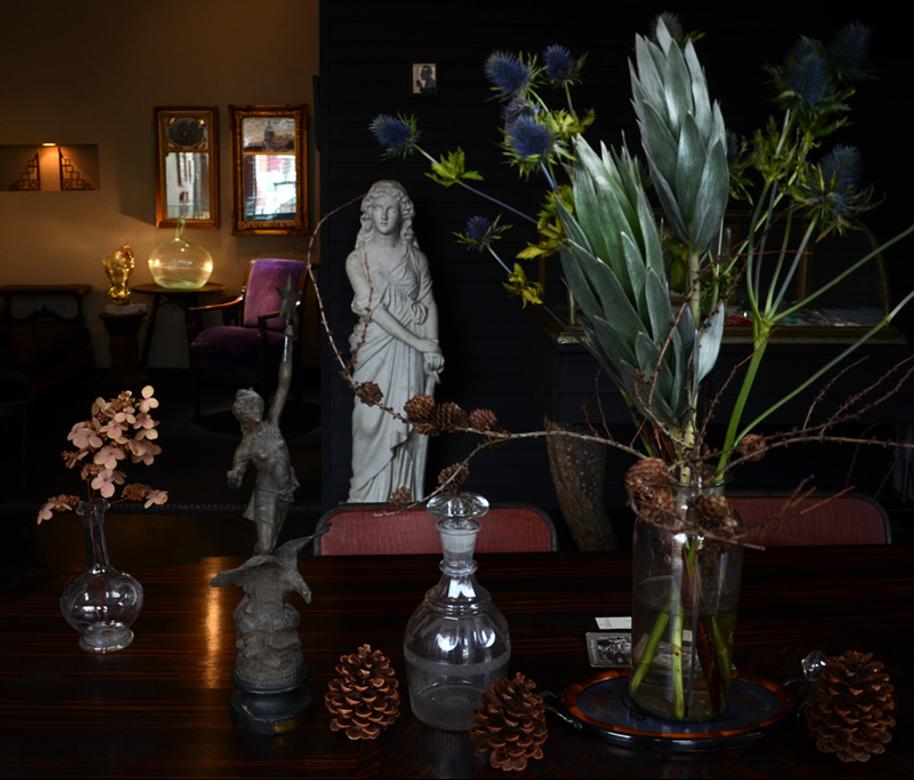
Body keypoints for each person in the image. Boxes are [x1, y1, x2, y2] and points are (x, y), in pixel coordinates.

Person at [346, 180, 443, 502]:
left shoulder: (417, 259)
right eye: (378, 209)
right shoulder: (357, 260)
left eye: (391, 209)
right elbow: (373, 309)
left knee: (408, 422)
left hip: (410, 358)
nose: (385, 215)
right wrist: (419, 342)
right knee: (369, 421)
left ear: (404, 214)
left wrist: (433, 346)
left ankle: (403, 500)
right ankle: (365, 499)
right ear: (368, 214)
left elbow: (428, 304)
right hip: (375, 350)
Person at [227, 280, 300, 553]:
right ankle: (260, 566)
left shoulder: (273, 424)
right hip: (267, 494)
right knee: (268, 545)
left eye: (258, 405)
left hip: (287, 490)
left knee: (270, 543)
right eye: (253, 407)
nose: (258, 409)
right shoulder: (245, 447)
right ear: (244, 414)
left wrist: (288, 342)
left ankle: (261, 568)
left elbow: (284, 382)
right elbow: (236, 475)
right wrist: (234, 478)